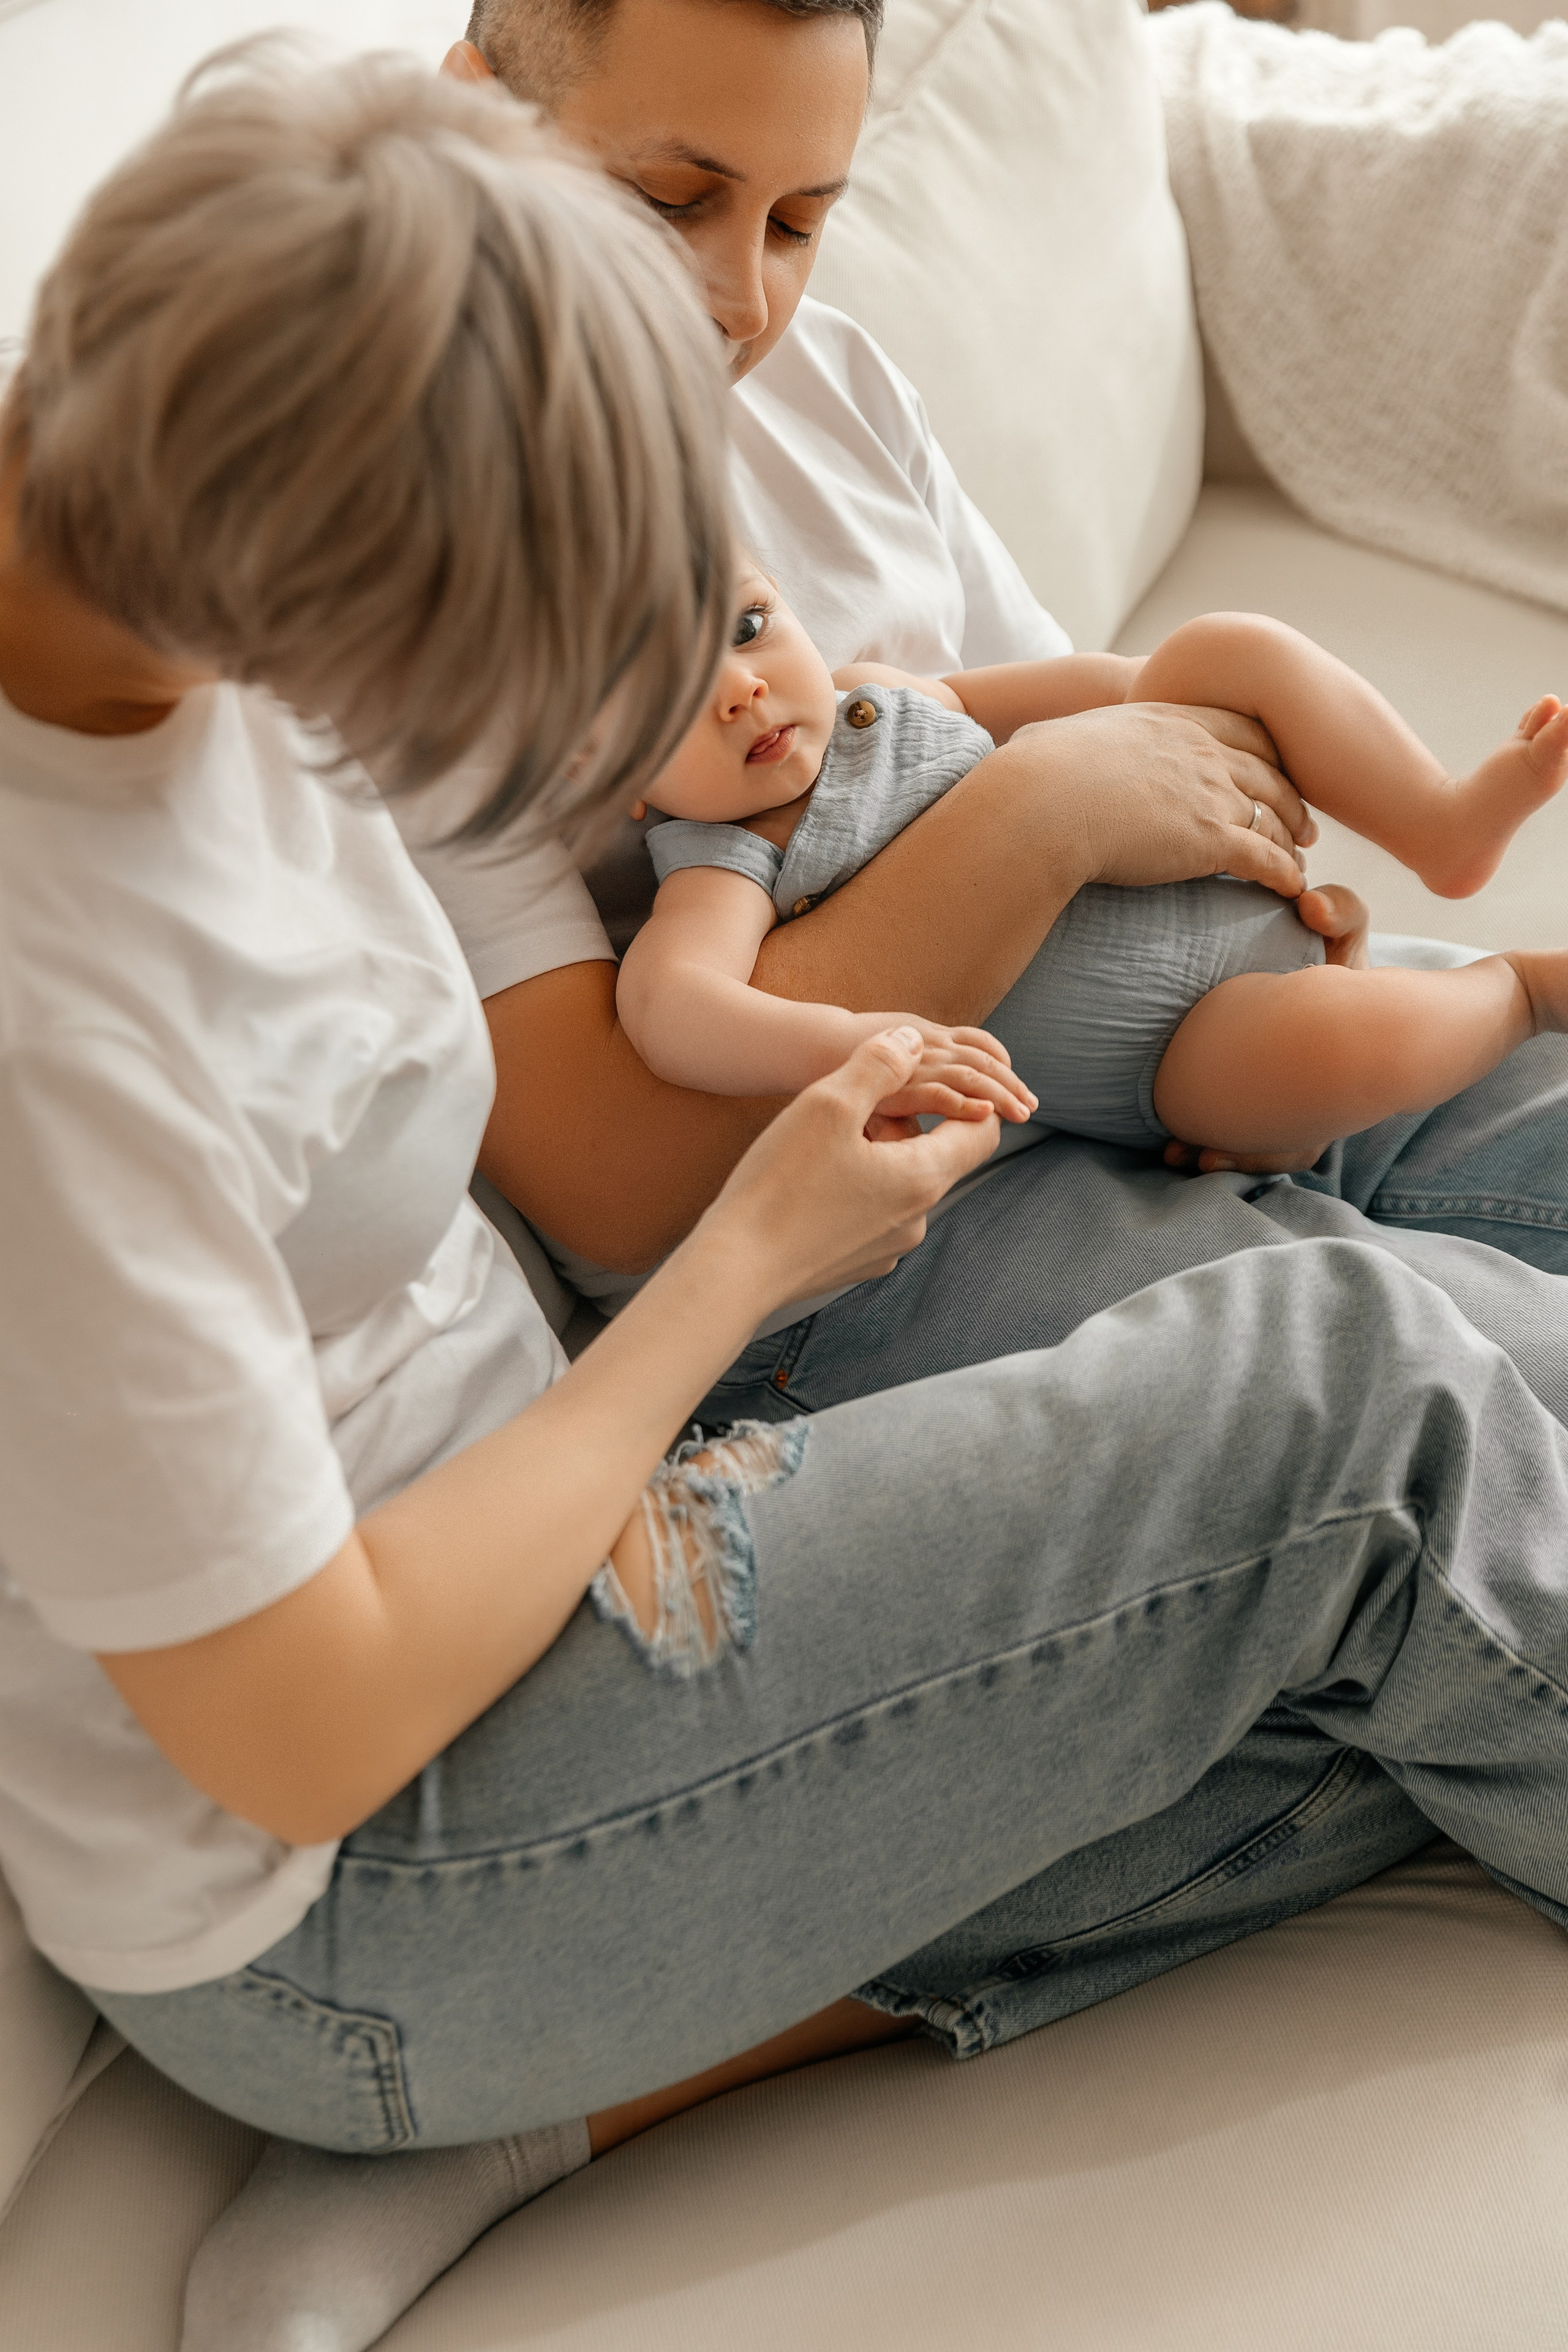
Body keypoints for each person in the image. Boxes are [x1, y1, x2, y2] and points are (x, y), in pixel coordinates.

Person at [10, 38, 1568, 2352]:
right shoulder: (54, 1017)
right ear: (317, 606)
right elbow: (303, 1732)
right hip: (368, 1889)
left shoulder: (184, 531)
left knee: (1382, 1572)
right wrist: (749, 1251)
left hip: (546, 1548)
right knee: (1362, 1409)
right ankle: (510, 2079)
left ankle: (617, 2085)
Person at [619, 565, 1568, 1164]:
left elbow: (1095, 695)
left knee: (1222, 644)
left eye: (746, 628)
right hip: (1185, 1047)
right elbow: (672, 1013)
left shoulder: (874, 696)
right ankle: (1524, 992)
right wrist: (862, 1048)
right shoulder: (725, 862)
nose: (741, 689)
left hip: (1215, 866)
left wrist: (1176, 712)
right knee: (1349, 1047)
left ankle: (1442, 822)